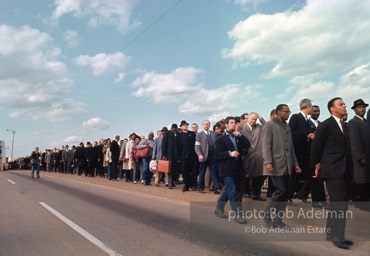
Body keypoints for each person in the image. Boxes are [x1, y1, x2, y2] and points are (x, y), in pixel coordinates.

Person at [311, 97, 353, 249]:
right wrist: (315, 167)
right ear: (332, 109)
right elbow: (316, 147)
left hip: (345, 170)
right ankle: (338, 235)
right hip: (332, 169)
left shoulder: (345, 126)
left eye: (344, 103)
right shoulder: (326, 125)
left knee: (341, 202)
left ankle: (331, 233)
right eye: (341, 104)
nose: (344, 106)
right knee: (339, 202)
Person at [262, 104, 301, 228]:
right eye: (286, 112)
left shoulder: (287, 126)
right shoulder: (270, 125)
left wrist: (295, 163)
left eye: (289, 111)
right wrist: (268, 162)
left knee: (285, 193)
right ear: (279, 112)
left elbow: (291, 148)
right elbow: (266, 145)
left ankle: (278, 221)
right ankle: (267, 214)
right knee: (281, 190)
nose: (288, 113)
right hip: (275, 165)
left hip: (287, 165)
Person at [214, 116, 251, 224]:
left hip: (237, 169)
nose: (233, 124)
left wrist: (240, 135)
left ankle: (219, 208)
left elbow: (247, 145)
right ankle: (238, 215)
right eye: (231, 123)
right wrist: (230, 153)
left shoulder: (237, 137)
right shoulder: (221, 139)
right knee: (233, 191)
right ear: (226, 125)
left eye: (235, 123)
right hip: (226, 169)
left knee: (227, 191)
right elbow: (217, 155)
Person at [288, 99, 315, 205]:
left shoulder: (308, 121)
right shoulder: (295, 117)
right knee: (295, 176)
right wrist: (306, 135)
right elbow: (291, 133)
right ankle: (287, 197)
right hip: (298, 153)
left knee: (309, 176)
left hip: (306, 153)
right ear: (308, 107)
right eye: (311, 107)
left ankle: (302, 195)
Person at [348, 99, 370, 209]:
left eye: (363, 107)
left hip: (368, 155)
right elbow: (354, 141)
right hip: (360, 158)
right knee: (361, 180)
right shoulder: (353, 122)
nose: (362, 109)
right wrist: (361, 157)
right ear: (354, 110)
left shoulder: (366, 121)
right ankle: (361, 204)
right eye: (359, 107)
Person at [240, 112, 266, 201]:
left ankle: (256, 194)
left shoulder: (258, 127)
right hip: (247, 155)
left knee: (259, 176)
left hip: (258, 155)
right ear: (247, 119)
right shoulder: (242, 129)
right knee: (247, 176)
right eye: (252, 119)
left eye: (255, 119)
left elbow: (267, 126)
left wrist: (260, 117)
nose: (253, 121)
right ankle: (245, 192)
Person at [195, 120, 220, 194]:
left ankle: (217, 188)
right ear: (202, 125)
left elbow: (216, 144)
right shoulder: (199, 135)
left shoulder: (213, 133)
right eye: (204, 124)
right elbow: (197, 146)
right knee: (202, 172)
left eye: (207, 124)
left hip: (212, 155)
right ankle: (200, 188)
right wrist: (199, 155)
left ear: (209, 125)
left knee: (213, 172)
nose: (206, 125)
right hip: (204, 155)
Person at [178, 120, 198, 192]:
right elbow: (178, 147)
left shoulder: (192, 134)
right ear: (181, 127)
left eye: (186, 125)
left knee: (194, 171)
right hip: (184, 156)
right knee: (185, 172)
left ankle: (194, 185)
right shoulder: (179, 135)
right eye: (183, 125)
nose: (185, 126)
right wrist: (178, 157)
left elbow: (196, 144)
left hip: (193, 156)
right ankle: (186, 185)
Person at [162, 124, 180, 189]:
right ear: (171, 128)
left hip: (176, 155)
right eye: (174, 129)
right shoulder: (167, 134)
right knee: (169, 169)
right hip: (169, 155)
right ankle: (169, 183)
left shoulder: (178, 134)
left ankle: (172, 182)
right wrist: (163, 155)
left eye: (176, 129)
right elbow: (164, 144)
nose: (174, 130)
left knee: (175, 170)